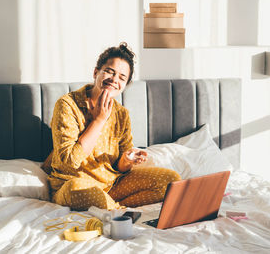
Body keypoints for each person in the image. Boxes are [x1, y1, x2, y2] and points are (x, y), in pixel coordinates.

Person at [45, 42, 181, 211]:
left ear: (124, 85)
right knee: (78, 189)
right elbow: (70, 161)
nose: (114, 80)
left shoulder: (121, 114)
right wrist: (99, 121)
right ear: (96, 73)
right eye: (109, 71)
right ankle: (119, 213)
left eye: (122, 78)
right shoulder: (67, 104)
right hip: (72, 184)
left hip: (112, 185)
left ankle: (111, 205)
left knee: (172, 180)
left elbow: (121, 167)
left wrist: (127, 160)